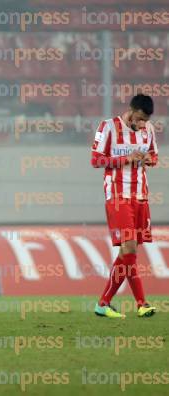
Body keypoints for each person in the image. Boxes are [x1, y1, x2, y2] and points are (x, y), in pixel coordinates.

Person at [91, 94, 158, 318]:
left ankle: (103, 303)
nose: (141, 125)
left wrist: (148, 159)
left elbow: (154, 156)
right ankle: (142, 303)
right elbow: (96, 159)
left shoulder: (148, 129)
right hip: (118, 197)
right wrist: (125, 159)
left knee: (126, 252)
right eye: (138, 119)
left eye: (144, 121)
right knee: (129, 249)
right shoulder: (108, 127)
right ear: (130, 110)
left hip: (140, 197)